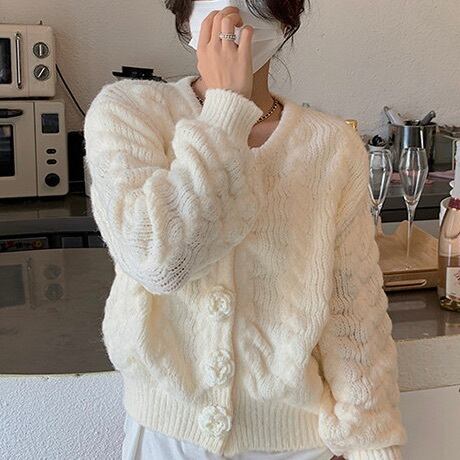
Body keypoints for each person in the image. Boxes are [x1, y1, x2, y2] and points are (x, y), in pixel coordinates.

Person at [83, 1, 407, 459]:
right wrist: (226, 110)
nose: (232, 14)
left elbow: (352, 308)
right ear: (185, 16)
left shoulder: (331, 144)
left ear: (286, 18)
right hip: (167, 439)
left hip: (298, 443)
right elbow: (158, 261)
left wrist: (371, 445)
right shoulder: (128, 112)